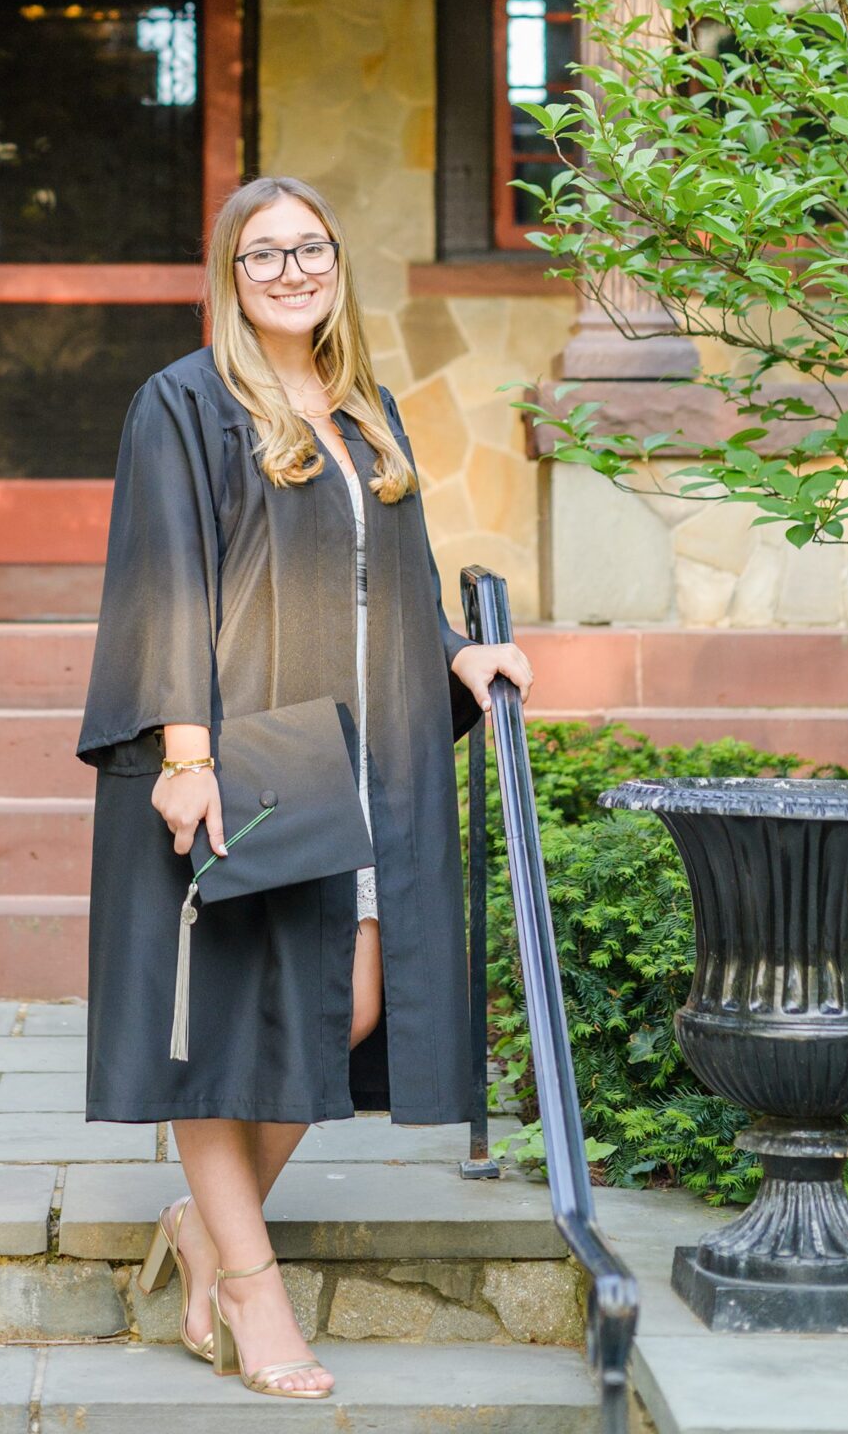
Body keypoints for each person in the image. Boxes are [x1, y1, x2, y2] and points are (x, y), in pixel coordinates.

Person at [77, 174, 533, 1397]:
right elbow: (163, 579)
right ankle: (250, 1287)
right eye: (264, 254)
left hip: (366, 756)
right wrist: (182, 758)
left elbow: (398, 581)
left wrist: (457, 655)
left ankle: (202, 1226)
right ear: (230, 275)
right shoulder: (181, 403)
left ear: (336, 261)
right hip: (246, 757)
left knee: (348, 1004)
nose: (292, 270)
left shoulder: (363, 407)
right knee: (223, 1028)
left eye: (311, 248)